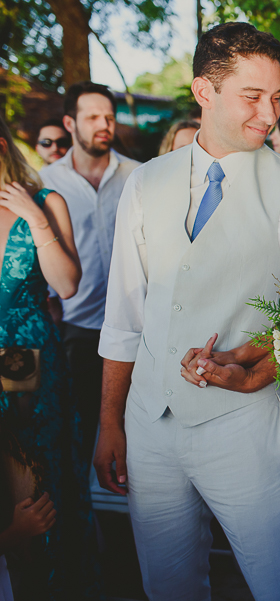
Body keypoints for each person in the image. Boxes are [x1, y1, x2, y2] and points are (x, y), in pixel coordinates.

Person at [93, 23, 280, 601]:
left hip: (245, 427)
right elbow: (125, 317)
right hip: (148, 423)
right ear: (204, 92)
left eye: (277, 98)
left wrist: (263, 364)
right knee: (168, 586)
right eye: (253, 97)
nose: (269, 116)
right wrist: (111, 422)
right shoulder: (144, 184)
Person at [0, 115, 98, 599]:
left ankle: (56, 581)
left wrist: (36, 221)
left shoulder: (44, 201)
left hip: (26, 355)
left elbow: (66, 285)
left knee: (36, 468)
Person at [39, 81, 141, 464]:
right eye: (94, 117)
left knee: (136, 434)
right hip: (77, 329)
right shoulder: (46, 184)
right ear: (70, 122)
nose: (105, 124)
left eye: (110, 117)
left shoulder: (139, 175)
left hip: (136, 327)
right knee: (78, 435)